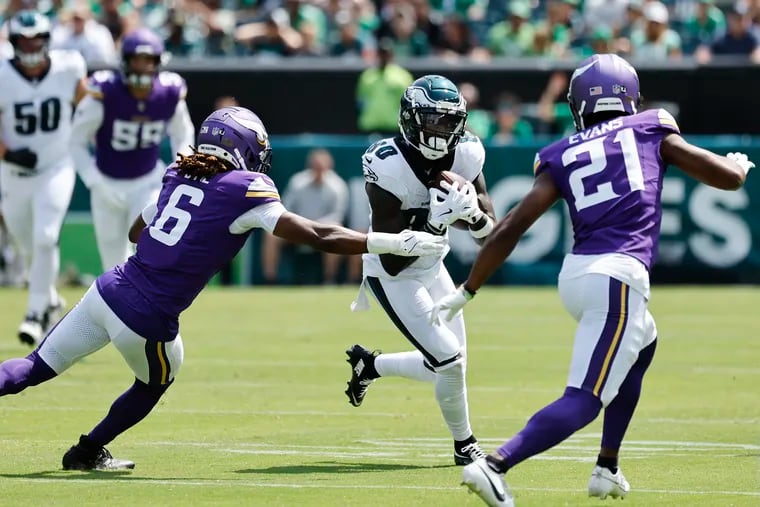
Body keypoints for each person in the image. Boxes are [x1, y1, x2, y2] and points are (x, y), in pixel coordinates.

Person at [0, 106, 446, 471]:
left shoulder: (178, 175)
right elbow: (315, 234)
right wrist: (389, 240)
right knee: (156, 381)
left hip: (108, 288)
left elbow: (138, 232)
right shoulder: (246, 186)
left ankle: (83, 448)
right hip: (148, 314)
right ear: (246, 149)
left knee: (34, 367)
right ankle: (86, 451)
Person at [430, 54, 754, 506]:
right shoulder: (650, 125)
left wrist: (468, 288)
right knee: (584, 399)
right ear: (631, 97)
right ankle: (494, 465)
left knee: (644, 344)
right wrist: (739, 165)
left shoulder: (561, 152)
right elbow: (725, 178)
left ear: (578, 103)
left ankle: (607, 466)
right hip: (617, 278)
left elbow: (510, 227)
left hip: (580, 275)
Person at [345, 75, 497, 466]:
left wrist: (473, 216)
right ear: (411, 119)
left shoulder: (466, 154)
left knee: (446, 365)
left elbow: (489, 233)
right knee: (449, 361)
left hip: (432, 265)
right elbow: (394, 258)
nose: (441, 131)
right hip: (392, 274)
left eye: (449, 122)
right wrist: (432, 222)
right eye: (433, 120)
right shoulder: (388, 164)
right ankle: (465, 447)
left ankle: (370, 365)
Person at [71, 27, 195, 272]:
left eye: (149, 61)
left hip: (146, 181)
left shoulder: (169, 91)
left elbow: (183, 134)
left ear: (159, 63)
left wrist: (182, 167)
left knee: (148, 244)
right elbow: (75, 140)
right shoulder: (105, 91)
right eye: (137, 60)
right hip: (106, 181)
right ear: (125, 62)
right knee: (112, 261)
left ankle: (148, 305)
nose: (143, 67)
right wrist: (95, 181)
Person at [0, 10, 88, 345]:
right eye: (24, 40)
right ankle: (50, 298)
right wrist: (8, 153)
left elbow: (87, 105)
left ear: (48, 40)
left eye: (37, 38)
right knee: (27, 246)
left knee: (46, 236)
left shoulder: (69, 67)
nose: (32, 45)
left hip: (56, 165)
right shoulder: (3, 74)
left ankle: (35, 312)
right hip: (13, 173)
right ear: (14, 42)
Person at [261, 148, 350, 285]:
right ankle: (270, 280)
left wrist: (316, 225)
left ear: (329, 166)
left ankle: (329, 279)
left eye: (321, 166)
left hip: (323, 231)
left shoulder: (338, 185)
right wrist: (301, 224)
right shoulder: (298, 181)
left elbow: (338, 215)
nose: (318, 169)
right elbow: (285, 208)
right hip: (297, 228)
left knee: (338, 230)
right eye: (315, 165)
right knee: (270, 235)